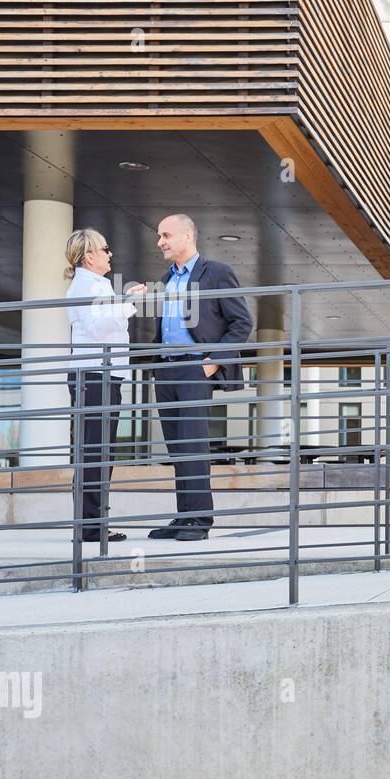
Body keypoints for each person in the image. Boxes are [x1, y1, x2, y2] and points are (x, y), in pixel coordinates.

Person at [147, 214, 254, 541]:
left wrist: (213, 362)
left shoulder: (217, 272)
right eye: (159, 236)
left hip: (195, 367)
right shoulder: (166, 279)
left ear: (187, 236)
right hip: (166, 369)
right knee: (177, 447)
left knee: (193, 445)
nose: (160, 242)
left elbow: (242, 323)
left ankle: (200, 521)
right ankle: (184, 518)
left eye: (165, 235)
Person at [64, 228, 145, 543]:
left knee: (100, 452)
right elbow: (98, 328)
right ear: (89, 256)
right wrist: (129, 303)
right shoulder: (84, 285)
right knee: (95, 452)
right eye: (105, 249)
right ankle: (90, 527)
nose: (110, 254)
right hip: (94, 377)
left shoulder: (96, 284)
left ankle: (92, 523)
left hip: (105, 376)